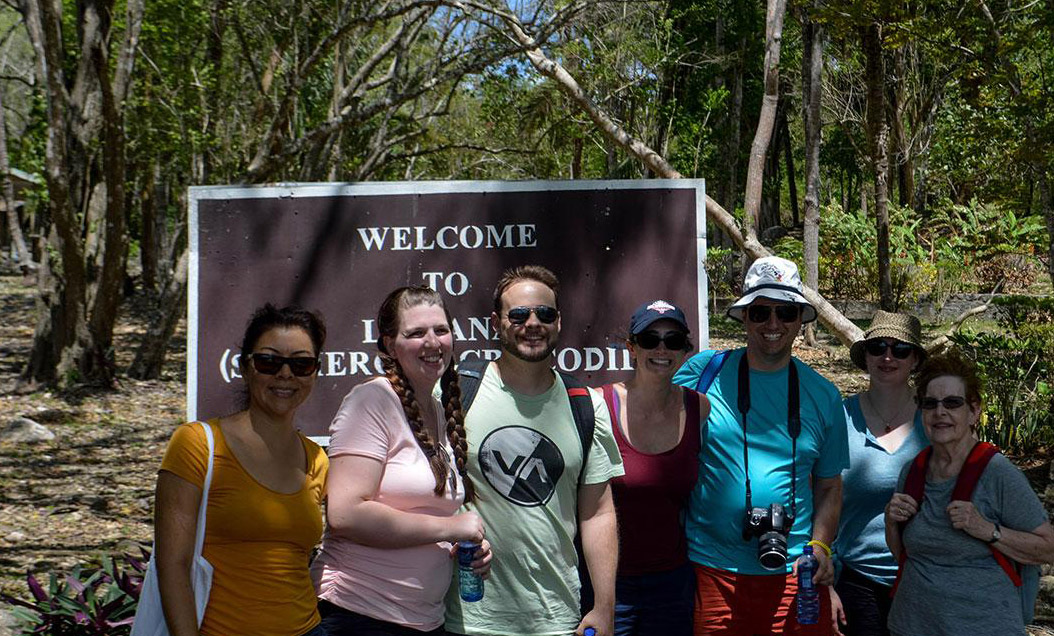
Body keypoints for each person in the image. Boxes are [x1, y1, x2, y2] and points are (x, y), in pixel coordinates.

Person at [444, 265, 625, 636]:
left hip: (556, 617)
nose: (532, 323)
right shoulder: (455, 394)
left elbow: (598, 514)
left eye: (544, 314)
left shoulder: (586, 405)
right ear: (496, 322)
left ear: (558, 322)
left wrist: (605, 607)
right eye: (518, 314)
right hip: (467, 618)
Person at [672, 255, 848, 636]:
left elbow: (830, 486)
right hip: (712, 569)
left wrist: (821, 546)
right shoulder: (702, 373)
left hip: (796, 574)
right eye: (760, 312)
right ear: (744, 317)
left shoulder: (824, 395)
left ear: (800, 319)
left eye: (785, 312)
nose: (773, 324)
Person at [313, 286, 492, 635]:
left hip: (424, 620)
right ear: (389, 345)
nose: (432, 342)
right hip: (358, 614)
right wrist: (451, 527)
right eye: (415, 333)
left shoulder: (439, 410)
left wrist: (460, 545)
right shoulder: (371, 401)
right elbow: (346, 513)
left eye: (441, 330)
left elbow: (420, 514)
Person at [154, 304, 329, 636]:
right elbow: (172, 565)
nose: (285, 374)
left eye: (301, 364)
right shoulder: (197, 444)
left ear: (315, 372)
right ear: (245, 368)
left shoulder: (317, 459)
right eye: (269, 361)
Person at [884, 351, 1054, 636]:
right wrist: (890, 521)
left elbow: (1048, 547)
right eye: (930, 404)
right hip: (911, 625)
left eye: (953, 403)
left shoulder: (998, 474)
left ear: (973, 411)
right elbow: (902, 553)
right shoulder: (912, 471)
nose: (940, 413)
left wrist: (988, 529)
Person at [600, 300, 710, 636]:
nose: (661, 349)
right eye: (650, 339)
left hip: (672, 582)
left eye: (673, 340)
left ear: (685, 350)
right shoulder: (599, 404)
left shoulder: (698, 408)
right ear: (632, 348)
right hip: (610, 584)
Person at [831, 311, 928, 636]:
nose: (888, 357)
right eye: (878, 348)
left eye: (900, 349)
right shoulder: (839, 417)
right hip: (857, 579)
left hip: (924, 577)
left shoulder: (936, 420)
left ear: (914, 359)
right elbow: (819, 495)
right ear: (866, 356)